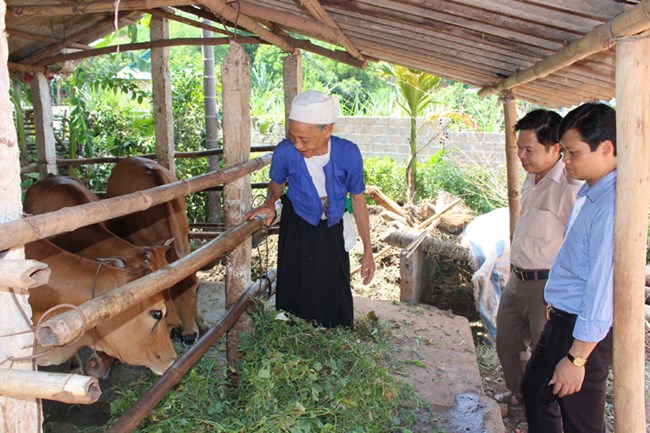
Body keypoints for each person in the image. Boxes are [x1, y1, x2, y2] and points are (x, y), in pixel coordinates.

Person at [520, 103, 617, 433]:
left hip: (582, 331)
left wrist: (577, 359)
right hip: (560, 320)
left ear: (606, 148)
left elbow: (603, 287)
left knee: (582, 422)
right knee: (535, 391)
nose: (566, 161)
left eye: (573, 153)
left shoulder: (611, 206)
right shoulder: (593, 191)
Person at [244, 90, 375, 328]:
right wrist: (269, 203)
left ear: (327, 131)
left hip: (332, 221)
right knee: (296, 281)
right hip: (298, 222)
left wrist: (368, 250)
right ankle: (292, 331)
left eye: (304, 139)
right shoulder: (285, 151)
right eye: (293, 137)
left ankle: (333, 333)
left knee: (331, 282)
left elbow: (358, 200)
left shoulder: (348, 154)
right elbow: (276, 183)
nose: (297, 144)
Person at [495, 110, 582, 416]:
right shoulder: (534, 178)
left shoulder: (569, 189)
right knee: (507, 343)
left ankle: (542, 417)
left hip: (547, 286)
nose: (521, 155)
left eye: (529, 149)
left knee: (544, 357)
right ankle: (520, 397)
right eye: (519, 148)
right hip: (517, 279)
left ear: (555, 148)